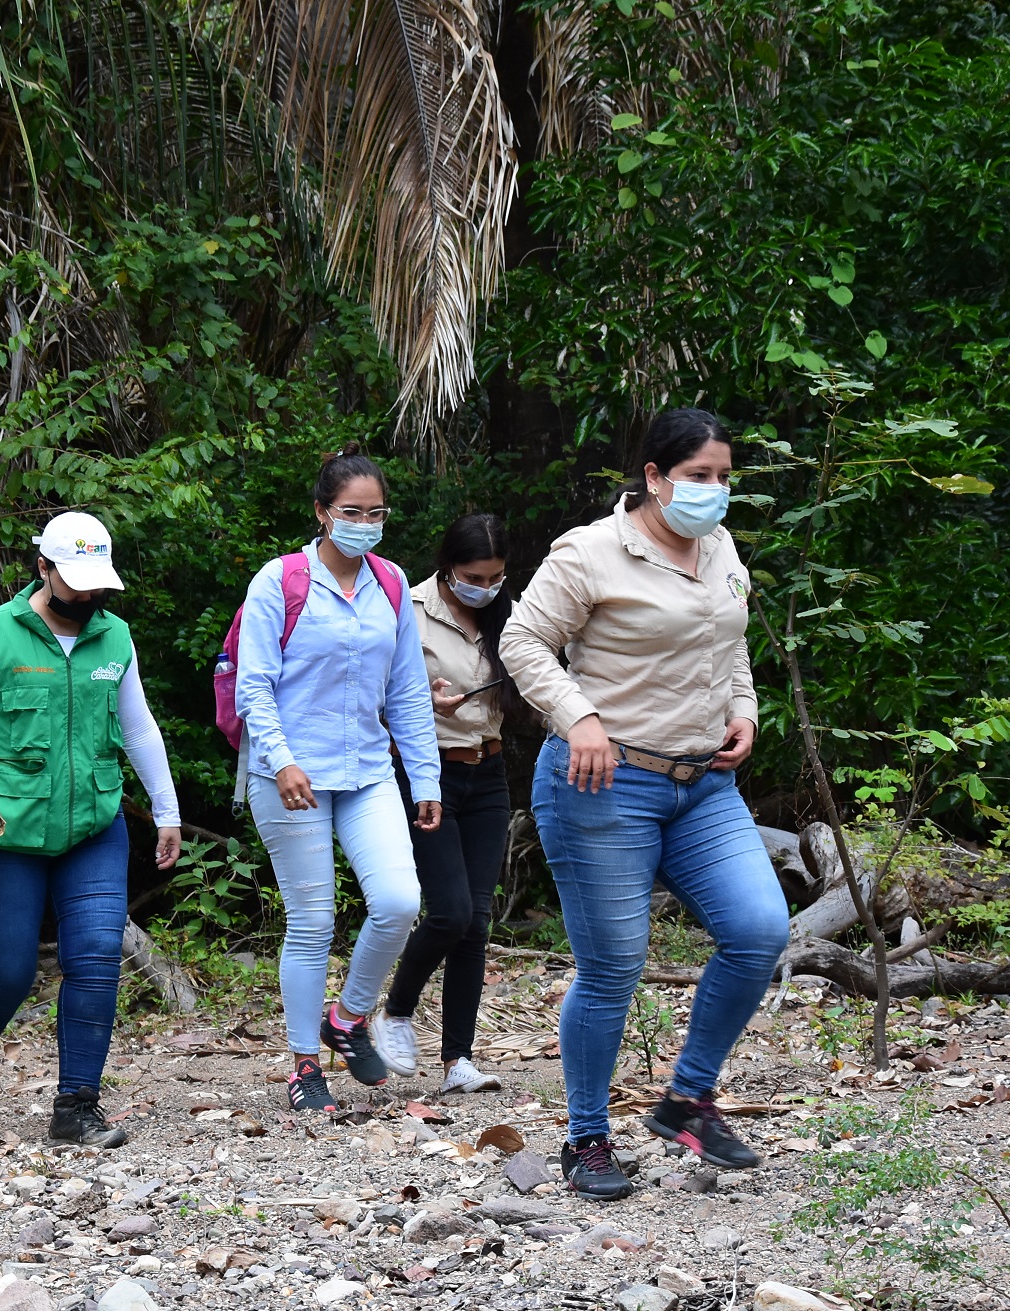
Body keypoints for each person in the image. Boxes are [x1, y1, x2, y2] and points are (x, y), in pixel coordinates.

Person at [500, 408, 788, 1200]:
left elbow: (729, 645)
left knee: (760, 929)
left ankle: (688, 1099)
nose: (714, 491)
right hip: (603, 782)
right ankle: (586, 1139)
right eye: (698, 477)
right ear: (655, 478)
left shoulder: (720, 546)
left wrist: (746, 711)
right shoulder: (591, 551)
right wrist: (578, 718)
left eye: (724, 477)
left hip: (703, 782)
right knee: (614, 966)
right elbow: (522, 643)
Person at [0, 512, 183, 1148]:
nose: (90, 597)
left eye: (99, 585)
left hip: (94, 827)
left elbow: (140, 727)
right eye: (77, 582)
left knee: (95, 960)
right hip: (4, 834)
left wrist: (167, 808)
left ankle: (77, 1108)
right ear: (43, 568)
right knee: (4, 974)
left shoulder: (115, 639)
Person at [234, 450, 442, 1115]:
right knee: (313, 920)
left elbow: (408, 689)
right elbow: (254, 686)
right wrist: (283, 758)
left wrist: (426, 776)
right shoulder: (280, 580)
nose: (363, 523)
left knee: (400, 902)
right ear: (322, 513)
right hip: (289, 772)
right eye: (350, 512)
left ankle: (347, 1019)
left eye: (375, 513)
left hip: (367, 771)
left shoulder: (391, 583)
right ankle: (303, 1065)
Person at [379, 514, 517, 1094]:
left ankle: (458, 1059)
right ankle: (395, 1011)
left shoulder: (509, 614)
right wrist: (427, 702)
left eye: (495, 577)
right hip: (427, 773)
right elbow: (374, 696)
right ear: (447, 568)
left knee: (477, 922)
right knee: (449, 911)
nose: (483, 587)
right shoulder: (405, 610)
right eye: (472, 576)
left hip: (490, 772)